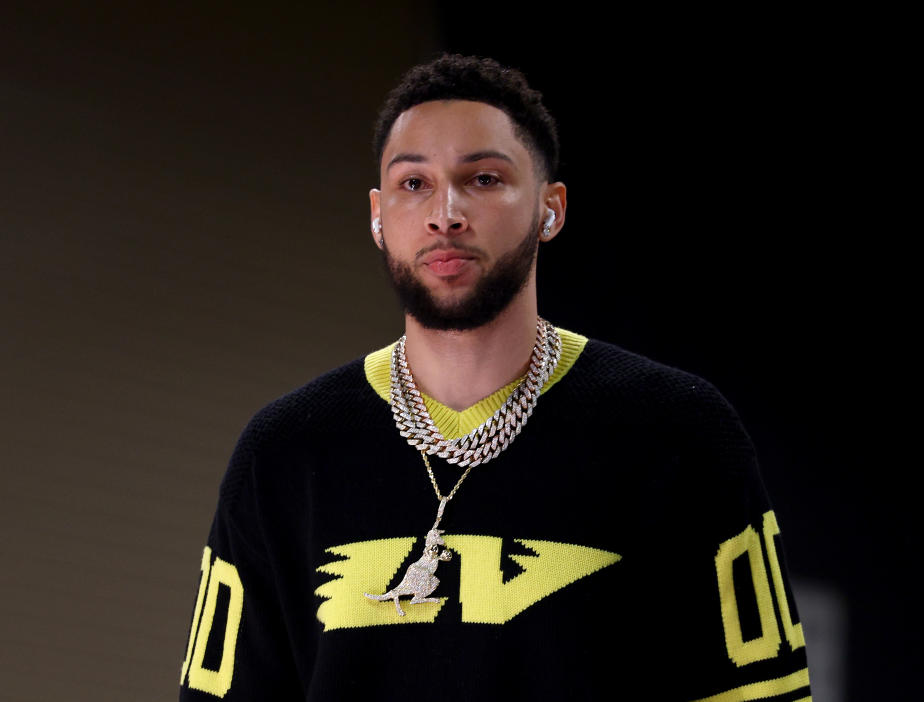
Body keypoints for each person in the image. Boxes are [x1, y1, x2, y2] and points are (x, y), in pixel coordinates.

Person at [178, 54, 812, 701]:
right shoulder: (286, 451)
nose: (445, 213)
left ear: (550, 207)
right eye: (413, 184)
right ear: (377, 215)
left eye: (482, 178)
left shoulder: (676, 432)